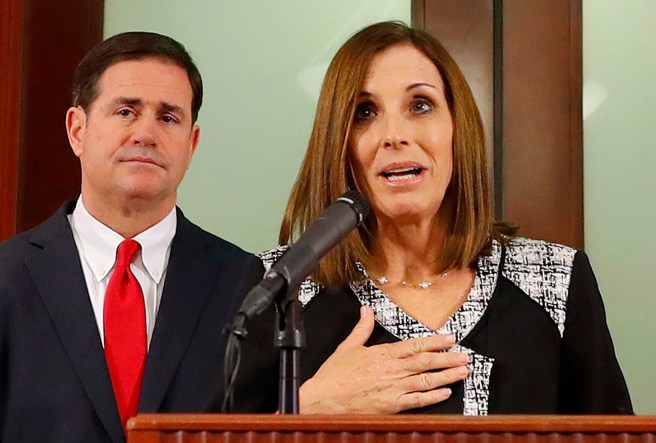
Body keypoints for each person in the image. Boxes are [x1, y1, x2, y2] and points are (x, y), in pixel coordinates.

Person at [233, 21, 632, 415]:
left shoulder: (556, 280)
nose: (394, 134)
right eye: (365, 112)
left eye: (420, 105)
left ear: (458, 130)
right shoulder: (280, 286)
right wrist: (306, 411)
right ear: (339, 146)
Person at [0, 32, 263, 442]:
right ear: (77, 130)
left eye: (168, 118)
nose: (146, 133)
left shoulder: (245, 283)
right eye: (126, 111)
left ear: (192, 144)